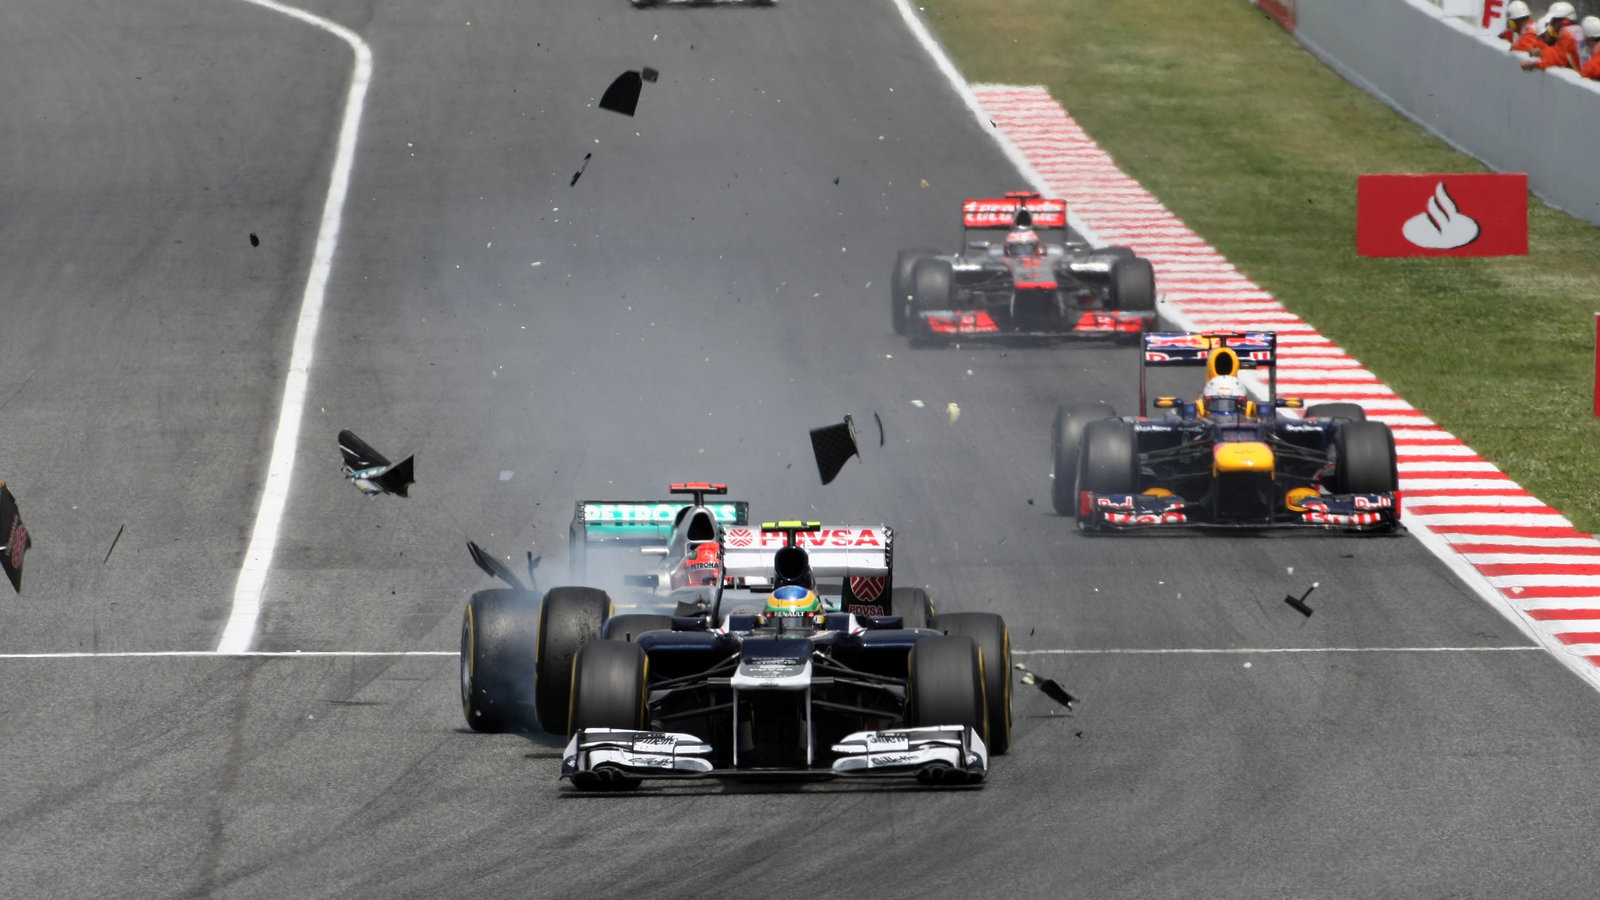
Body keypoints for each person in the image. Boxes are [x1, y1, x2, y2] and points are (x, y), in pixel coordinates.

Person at [1522, 3, 1581, 70]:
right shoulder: (1576, 32)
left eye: (1554, 21)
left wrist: (1538, 58)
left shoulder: (1568, 36)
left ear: (1565, 22)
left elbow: (1559, 58)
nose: (1552, 25)